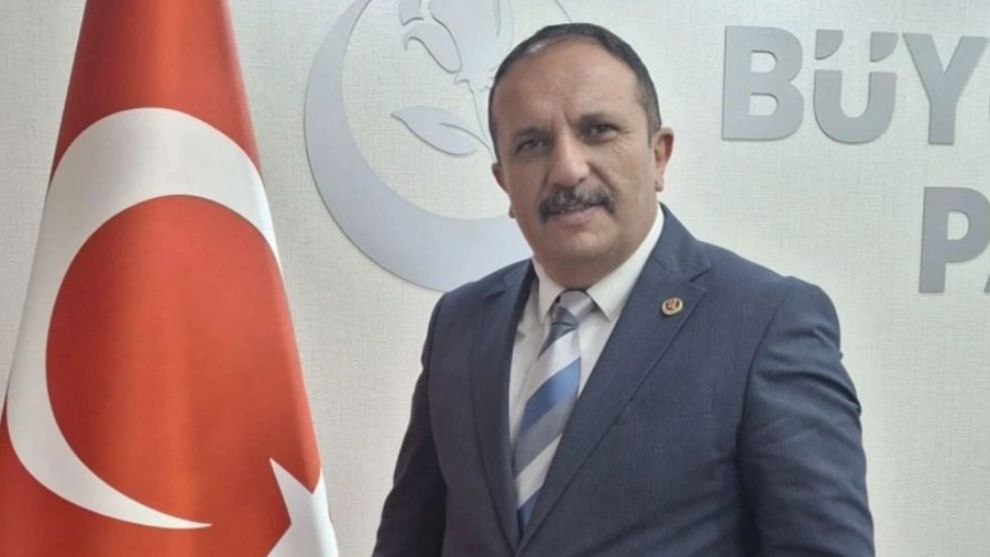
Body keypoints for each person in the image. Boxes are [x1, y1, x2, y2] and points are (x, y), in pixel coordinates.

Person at [373, 23, 873, 556]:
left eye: (598, 130)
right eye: (532, 144)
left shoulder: (765, 321)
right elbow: (409, 538)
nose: (567, 169)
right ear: (504, 182)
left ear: (659, 156)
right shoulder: (461, 321)